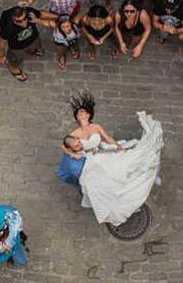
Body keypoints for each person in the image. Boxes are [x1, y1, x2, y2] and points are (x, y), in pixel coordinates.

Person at [61, 93, 164, 225]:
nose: (79, 114)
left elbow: (108, 138)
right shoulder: (75, 133)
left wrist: (118, 147)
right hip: (93, 158)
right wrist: (72, 154)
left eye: (82, 112)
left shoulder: (95, 126)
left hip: (102, 151)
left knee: (127, 161)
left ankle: (148, 174)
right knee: (101, 180)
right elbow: (63, 145)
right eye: (77, 113)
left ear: (88, 115)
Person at [0, 5, 54, 81]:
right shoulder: (7, 27)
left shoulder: (30, 13)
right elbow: (2, 43)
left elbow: (41, 14)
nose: (24, 23)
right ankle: (13, 67)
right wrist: (1, 56)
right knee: (16, 60)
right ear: (13, 19)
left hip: (33, 38)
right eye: (19, 21)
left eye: (25, 19)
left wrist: (58, 17)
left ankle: (31, 49)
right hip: (17, 48)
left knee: (37, 44)